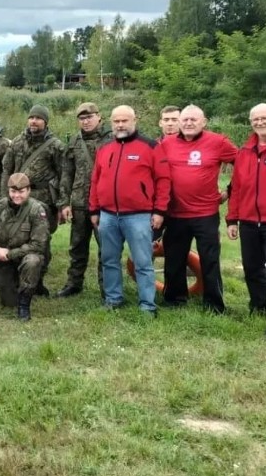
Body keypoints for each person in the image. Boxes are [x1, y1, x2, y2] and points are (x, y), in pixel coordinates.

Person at [89, 105, 171, 316]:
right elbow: (96, 180)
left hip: (138, 216)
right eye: (116, 121)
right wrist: (94, 209)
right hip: (107, 216)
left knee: (143, 262)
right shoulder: (105, 148)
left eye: (125, 120)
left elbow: (163, 180)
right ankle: (113, 299)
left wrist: (160, 211)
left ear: (135, 121)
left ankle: (147, 305)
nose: (120, 125)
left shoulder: (151, 147)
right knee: (109, 260)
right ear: (111, 123)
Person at [160, 104, 238, 313]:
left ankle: (214, 305)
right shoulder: (166, 144)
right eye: (184, 119)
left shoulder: (218, 142)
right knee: (174, 259)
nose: (188, 123)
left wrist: (229, 190)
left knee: (209, 260)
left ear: (204, 122)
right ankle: (175, 300)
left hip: (206, 214)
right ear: (179, 122)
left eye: (194, 119)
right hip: (176, 213)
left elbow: (243, 164)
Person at [226, 102, 266, 337]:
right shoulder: (245, 151)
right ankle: (258, 306)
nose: (260, 122)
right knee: (252, 269)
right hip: (248, 222)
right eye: (255, 119)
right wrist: (231, 220)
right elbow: (236, 188)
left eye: (264, 118)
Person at [0, 104, 64, 295]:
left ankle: (37, 280)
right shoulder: (17, 142)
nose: (34, 121)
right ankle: (15, 276)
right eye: (31, 118)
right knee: (14, 237)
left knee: (41, 241)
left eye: (38, 118)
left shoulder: (55, 145)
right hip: (17, 198)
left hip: (43, 199)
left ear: (45, 122)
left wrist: (61, 204)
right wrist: (4, 196)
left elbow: (63, 175)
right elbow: (6, 170)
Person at [55, 102, 112, 298]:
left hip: (105, 204)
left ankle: (107, 288)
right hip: (80, 203)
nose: (86, 122)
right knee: (77, 246)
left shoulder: (111, 140)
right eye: (82, 118)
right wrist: (64, 203)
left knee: (106, 248)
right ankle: (74, 283)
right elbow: (67, 174)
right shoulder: (74, 142)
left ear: (99, 117)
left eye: (89, 117)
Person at [0, 173, 50, 321]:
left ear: (28, 190)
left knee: (32, 262)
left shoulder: (37, 210)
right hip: (2, 257)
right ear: (8, 191)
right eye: (13, 191)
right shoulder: (0, 207)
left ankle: (24, 305)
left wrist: (11, 253)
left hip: (25, 254)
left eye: (21, 192)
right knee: (9, 303)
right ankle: (16, 285)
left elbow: (38, 244)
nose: (17, 195)